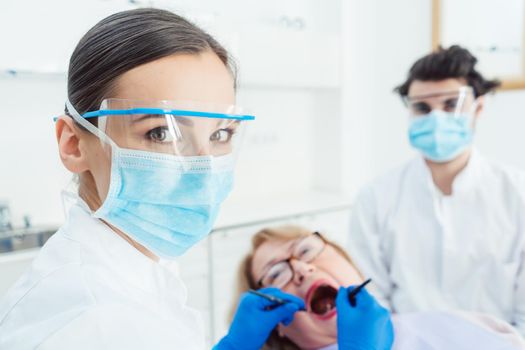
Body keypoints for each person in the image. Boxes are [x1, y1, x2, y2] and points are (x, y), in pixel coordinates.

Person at [0, 8, 393, 350]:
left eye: (220, 134)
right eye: (161, 133)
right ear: (74, 144)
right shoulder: (98, 323)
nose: (204, 169)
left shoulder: (135, 268)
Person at [347, 45, 525, 336]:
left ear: (478, 108)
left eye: (451, 104)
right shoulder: (375, 199)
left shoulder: (518, 194)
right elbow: (372, 299)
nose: (436, 118)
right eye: (423, 108)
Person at [231, 225, 525, 350]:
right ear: (276, 326)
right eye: (276, 273)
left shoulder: (463, 323)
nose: (301, 269)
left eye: (307, 250)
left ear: (351, 265)